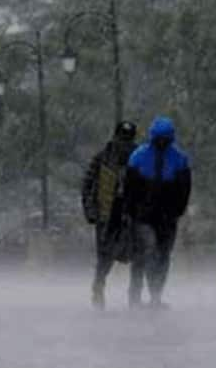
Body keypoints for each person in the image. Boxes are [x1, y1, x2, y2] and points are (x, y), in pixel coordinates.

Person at [123, 116, 191, 310]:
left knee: (160, 255)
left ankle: (153, 295)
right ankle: (139, 295)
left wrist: (177, 210)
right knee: (149, 253)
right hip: (145, 216)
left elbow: (184, 189)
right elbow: (130, 188)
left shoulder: (176, 159)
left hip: (162, 216)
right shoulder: (141, 156)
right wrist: (132, 210)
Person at [81, 121, 138, 310]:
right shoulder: (102, 159)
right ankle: (99, 286)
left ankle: (134, 295)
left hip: (131, 212)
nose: (125, 144)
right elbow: (88, 185)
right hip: (107, 213)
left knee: (137, 254)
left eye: (128, 139)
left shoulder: (140, 159)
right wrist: (91, 211)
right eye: (123, 138)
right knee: (106, 255)